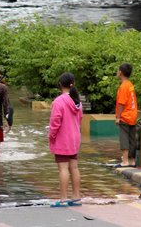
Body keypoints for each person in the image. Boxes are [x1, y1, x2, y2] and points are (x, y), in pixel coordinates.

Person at [48, 73, 83, 207]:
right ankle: (76, 197)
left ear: (60, 84)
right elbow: (80, 119)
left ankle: (63, 199)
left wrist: (51, 135)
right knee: (74, 167)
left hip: (63, 139)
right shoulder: (77, 102)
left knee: (63, 168)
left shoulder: (59, 101)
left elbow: (55, 122)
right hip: (74, 138)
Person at [115, 63, 138, 168]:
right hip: (133, 115)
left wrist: (118, 117)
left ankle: (125, 161)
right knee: (132, 139)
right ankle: (132, 160)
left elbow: (121, 103)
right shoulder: (130, 84)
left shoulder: (123, 86)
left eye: (117, 70)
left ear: (120, 72)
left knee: (124, 138)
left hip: (125, 115)